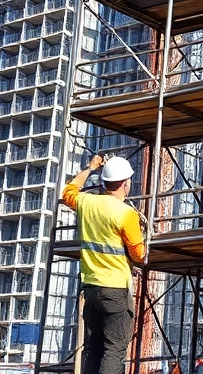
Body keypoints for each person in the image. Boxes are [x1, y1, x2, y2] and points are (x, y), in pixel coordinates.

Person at [61, 154, 146, 374]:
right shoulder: (126, 213)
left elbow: (69, 191)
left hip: (90, 287)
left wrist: (90, 168)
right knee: (115, 347)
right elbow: (139, 254)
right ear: (126, 184)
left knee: (94, 347)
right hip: (115, 289)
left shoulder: (86, 203)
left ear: (103, 182)